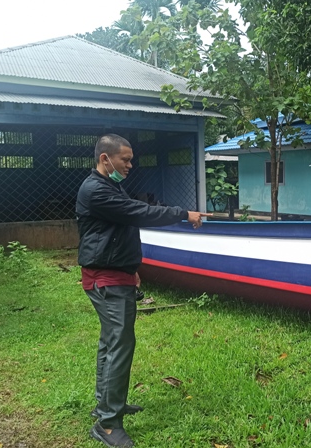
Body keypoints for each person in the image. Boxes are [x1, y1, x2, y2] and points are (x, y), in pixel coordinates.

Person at [77, 134, 204, 448]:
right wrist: (182, 214)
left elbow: (118, 230)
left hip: (113, 274)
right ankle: (107, 424)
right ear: (106, 159)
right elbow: (138, 212)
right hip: (105, 279)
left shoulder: (109, 186)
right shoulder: (96, 190)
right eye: (126, 159)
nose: (131, 165)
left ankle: (106, 404)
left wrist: (131, 269)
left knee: (111, 343)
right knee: (119, 345)